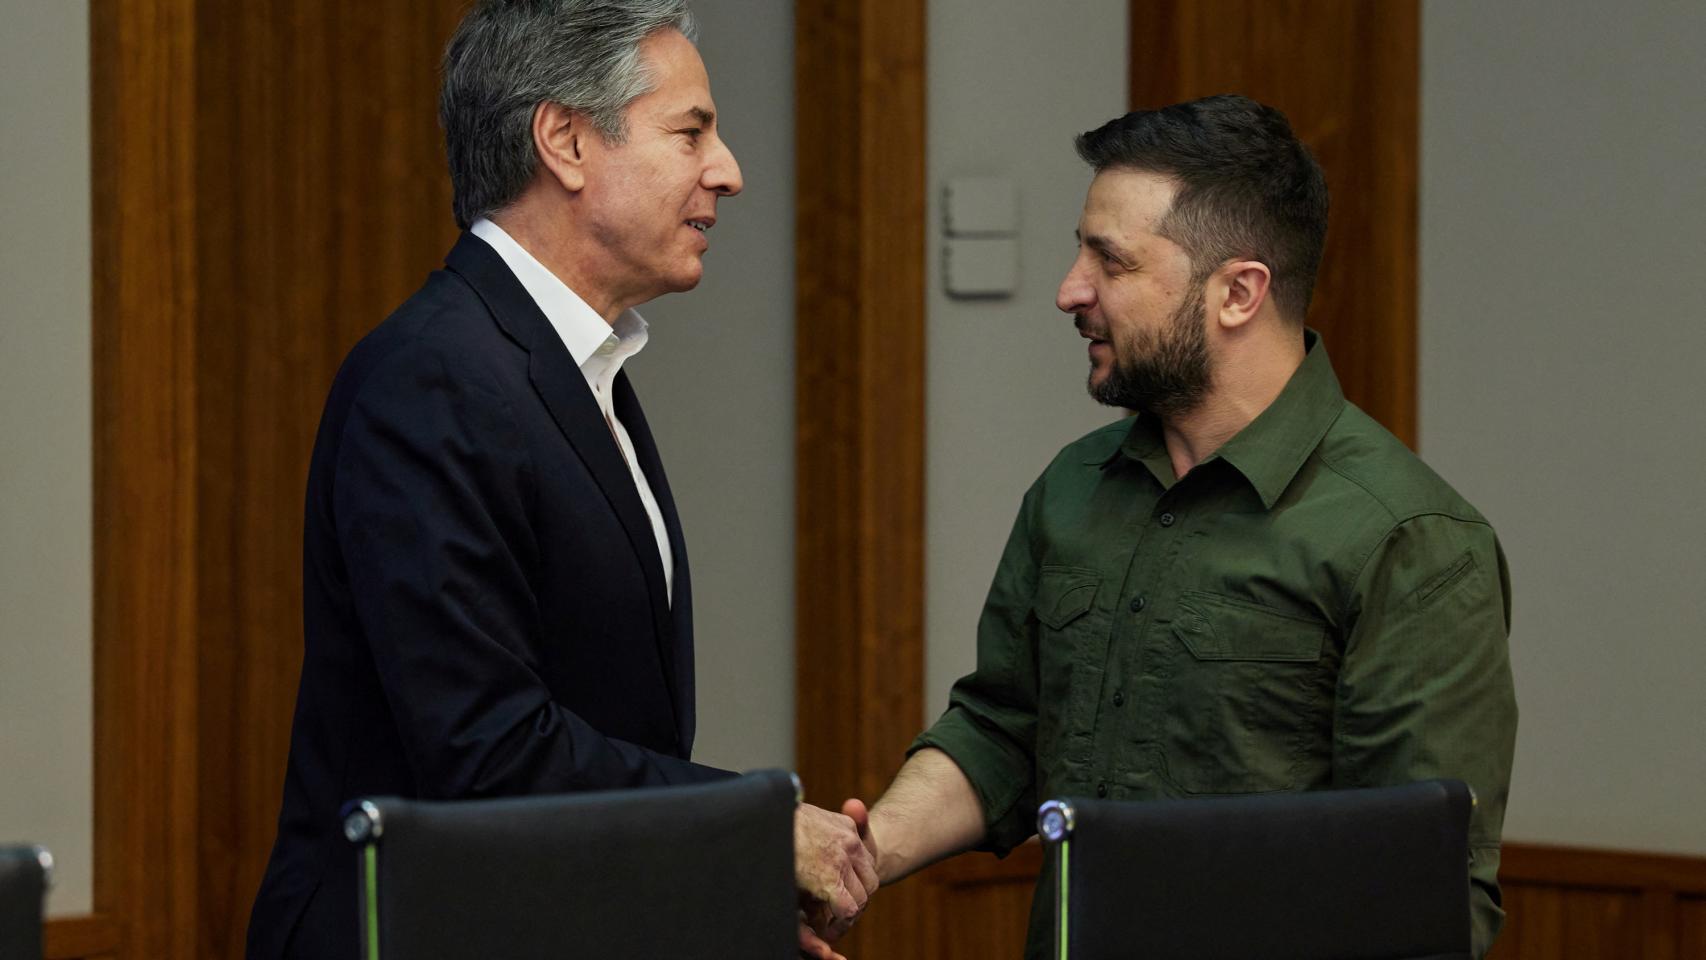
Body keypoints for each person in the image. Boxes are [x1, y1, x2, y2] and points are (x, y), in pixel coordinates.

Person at [816, 95, 1517, 959]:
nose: (1070, 289)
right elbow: (1005, 729)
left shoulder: (1407, 538)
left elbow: (1423, 892)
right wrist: (863, 853)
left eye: (1110, 261)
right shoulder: (1072, 490)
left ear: (1237, 293)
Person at [244, 3, 873, 959]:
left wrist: (707, 898)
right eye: (691, 132)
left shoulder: (570, 368)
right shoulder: (434, 376)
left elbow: (596, 728)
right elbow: (487, 751)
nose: (728, 171)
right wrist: (751, 828)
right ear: (566, 141)